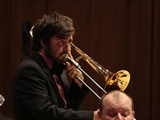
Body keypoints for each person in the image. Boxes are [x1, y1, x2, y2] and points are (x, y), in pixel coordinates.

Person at [12, 11, 99, 120]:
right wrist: (93, 116)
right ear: (44, 42)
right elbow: (46, 114)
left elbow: (68, 109)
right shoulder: (29, 70)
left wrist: (78, 83)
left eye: (69, 42)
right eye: (61, 43)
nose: (67, 49)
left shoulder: (58, 65)